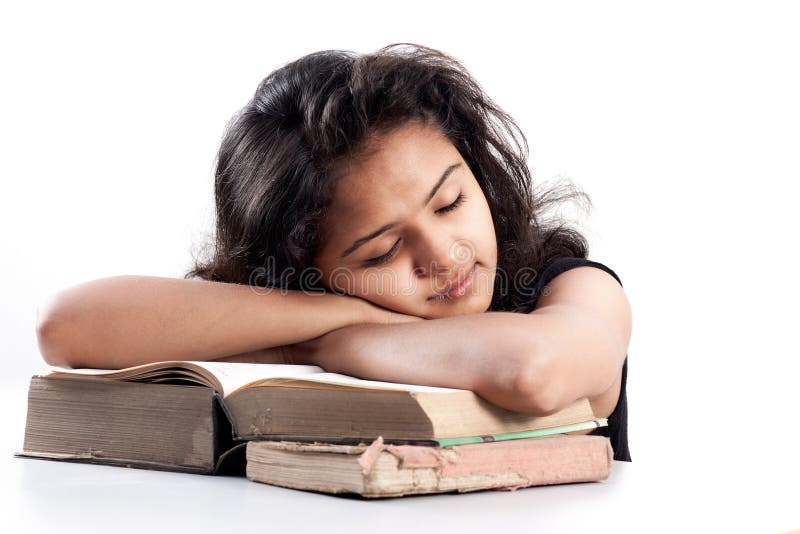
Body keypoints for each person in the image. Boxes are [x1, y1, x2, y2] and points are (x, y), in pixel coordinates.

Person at [35, 44, 632, 461]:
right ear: (309, 273)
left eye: (450, 202)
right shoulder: (318, 312)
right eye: (382, 253)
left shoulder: (568, 283)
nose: (444, 255)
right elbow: (67, 325)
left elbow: (533, 369)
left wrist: (332, 342)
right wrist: (323, 329)